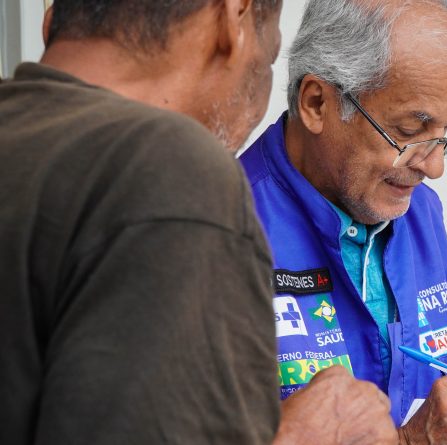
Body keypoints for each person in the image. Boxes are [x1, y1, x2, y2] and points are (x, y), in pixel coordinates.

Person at [0, 1, 397, 444]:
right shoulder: (168, 167)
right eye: (268, 59)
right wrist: (305, 435)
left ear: (53, 21)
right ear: (234, 18)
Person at [240, 0, 447, 443]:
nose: (434, 168)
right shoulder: (224, 231)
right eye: (410, 131)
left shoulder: (417, 211)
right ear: (316, 103)